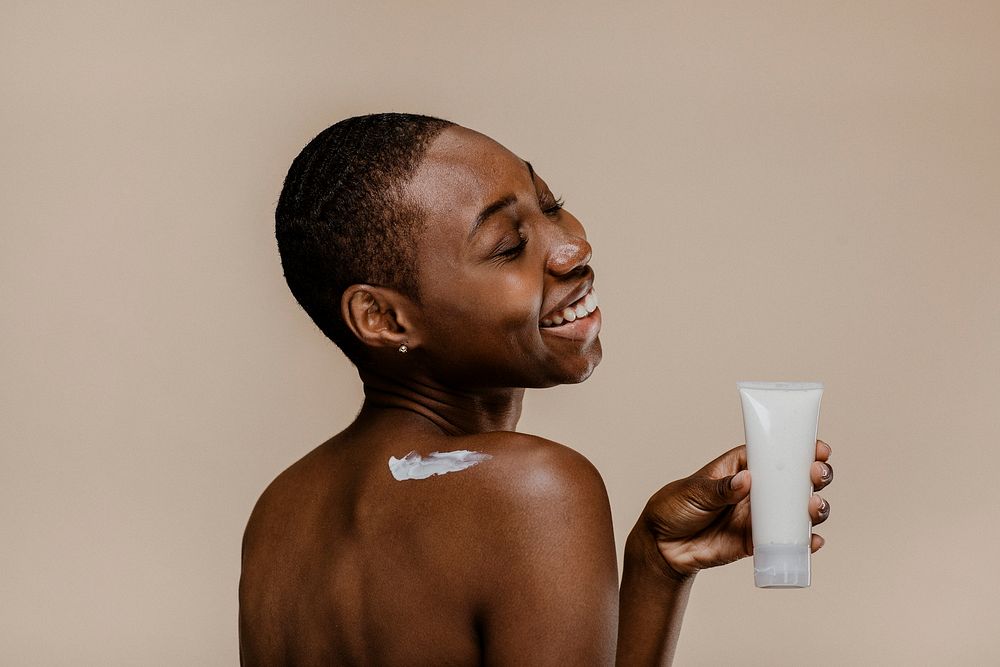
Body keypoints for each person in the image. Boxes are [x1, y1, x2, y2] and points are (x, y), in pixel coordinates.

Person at [238, 113, 834, 665]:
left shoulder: (280, 512)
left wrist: (657, 564)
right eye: (507, 246)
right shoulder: (531, 490)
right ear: (384, 318)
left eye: (552, 205)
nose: (574, 248)